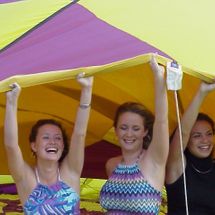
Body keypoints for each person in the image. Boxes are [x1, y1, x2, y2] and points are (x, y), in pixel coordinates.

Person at [4, 73, 93, 215]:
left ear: (63, 146)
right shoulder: (26, 179)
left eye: (58, 138)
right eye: (46, 137)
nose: (53, 141)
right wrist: (11, 101)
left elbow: (80, 134)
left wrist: (87, 90)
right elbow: (11, 145)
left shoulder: (70, 172)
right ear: (34, 146)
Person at [100, 54, 169, 214]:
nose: (129, 133)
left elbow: (162, 121)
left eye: (136, 128)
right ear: (116, 130)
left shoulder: (153, 160)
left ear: (145, 131)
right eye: (124, 127)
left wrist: (159, 79)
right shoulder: (111, 165)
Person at [165, 81, 215, 215]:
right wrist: (202, 92)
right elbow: (183, 133)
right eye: (197, 136)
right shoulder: (177, 166)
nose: (205, 140)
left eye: (209, 134)